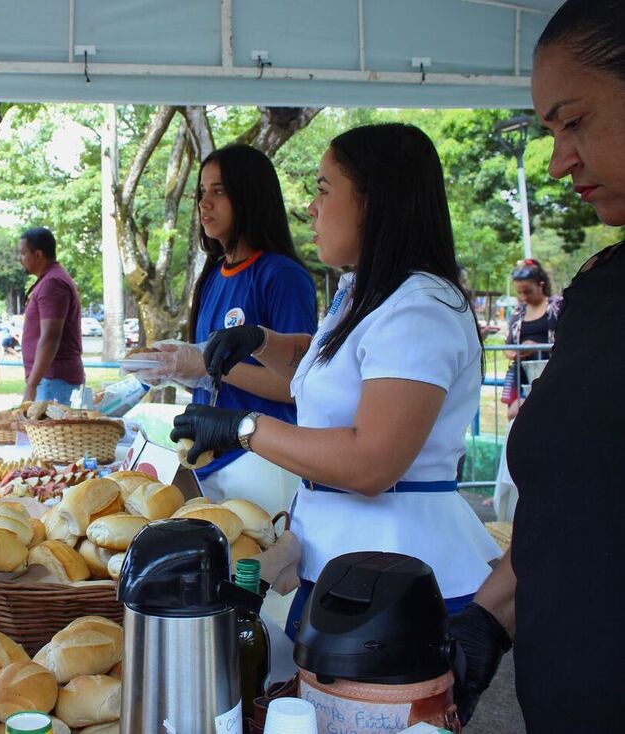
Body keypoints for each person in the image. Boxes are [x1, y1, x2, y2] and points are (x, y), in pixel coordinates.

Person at [172, 123, 499, 639]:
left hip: (394, 574)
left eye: (324, 190)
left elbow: (372, 462)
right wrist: (261, 341)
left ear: (376, 201)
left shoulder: (420, 309)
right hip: (342, 558)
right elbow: (326, 371)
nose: (311, 208)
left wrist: (243, 428)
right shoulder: (366, 292)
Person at [447, 1, 625, 729]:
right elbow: (572, 513)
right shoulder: (599, 290)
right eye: (550, 132)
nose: (559, 161)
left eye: (574, 121)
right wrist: (485, 623)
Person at [133, 144, 317, 512]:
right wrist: (173, 368)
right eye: (201, 192)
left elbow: (298, 386)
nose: (204, 204)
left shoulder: (281, 276)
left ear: (250, 197)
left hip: (262, 461)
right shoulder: (213, 275)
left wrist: (208, 365)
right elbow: (213, 375)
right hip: (206, 460)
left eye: (219, 192)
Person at [17, 226, 85, 404]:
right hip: (49, 380)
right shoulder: (49, 280)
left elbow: (51, 337)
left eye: (23, 253)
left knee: (48, 432)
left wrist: (31, 385)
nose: (20, 259)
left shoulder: (52, 283)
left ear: (38, 255)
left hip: (54, 380)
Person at [500, 258, 562, 417]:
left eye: (527, 291)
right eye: (519, 292)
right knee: (515, 416)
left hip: (552, 375)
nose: (523, 297)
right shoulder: (517, 313)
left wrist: (538, 345)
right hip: (523, 377)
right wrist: (518, 353)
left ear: (540, 285)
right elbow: (508, 348)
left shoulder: (558, 307)